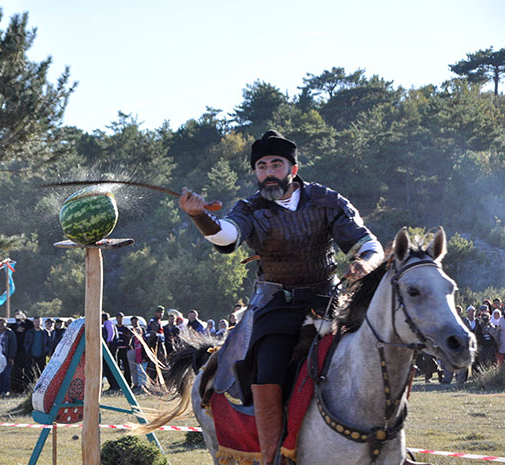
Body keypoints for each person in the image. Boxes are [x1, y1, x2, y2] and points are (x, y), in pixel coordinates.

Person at [179, 129, 383, 465]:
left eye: (276, 164)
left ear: (294, 169)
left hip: (329, 301)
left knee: (378, 351)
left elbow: (366, 242)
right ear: (256, 172)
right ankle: (274, 457)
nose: (268, 171)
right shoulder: (249, 207)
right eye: (261, 166)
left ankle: (390, 446)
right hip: (276, 306)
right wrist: (199, 216)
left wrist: (365, 262)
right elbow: (227, 236)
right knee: (268, 366)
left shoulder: (326, 200)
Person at [0, 318, 16, 396]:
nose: (1, 325)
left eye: (3, 323)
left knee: (6, 375)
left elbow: (13, 345)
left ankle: (6, 391)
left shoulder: (9, 333)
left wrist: (11, 357)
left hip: (6, 357)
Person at [113, 312, 133, 387]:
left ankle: (128, 383)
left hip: (124, 349)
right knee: (116, 366)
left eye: (121, 318)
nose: (119, 319)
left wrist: (128, 343)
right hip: (117, 349)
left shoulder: (126, 328)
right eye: (118, 318)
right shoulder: (114, 327)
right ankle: (117, 384)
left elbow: (131, 335)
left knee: (126, 367)